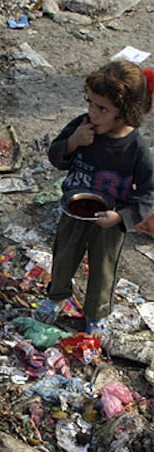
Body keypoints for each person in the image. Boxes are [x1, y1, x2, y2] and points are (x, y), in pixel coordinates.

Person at [34, 59, 154, 334]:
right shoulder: (83, 126)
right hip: (75, 210)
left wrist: (121, 217)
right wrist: (73, 142)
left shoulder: (136, 149)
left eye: (102, 109)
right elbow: (56, 157)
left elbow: (149, 192)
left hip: (110, 221)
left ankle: (96, 313)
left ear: (125, 113)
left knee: (103, 268)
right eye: (90, 103)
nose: (93, 113)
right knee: (63, 257)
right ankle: (57, 296)